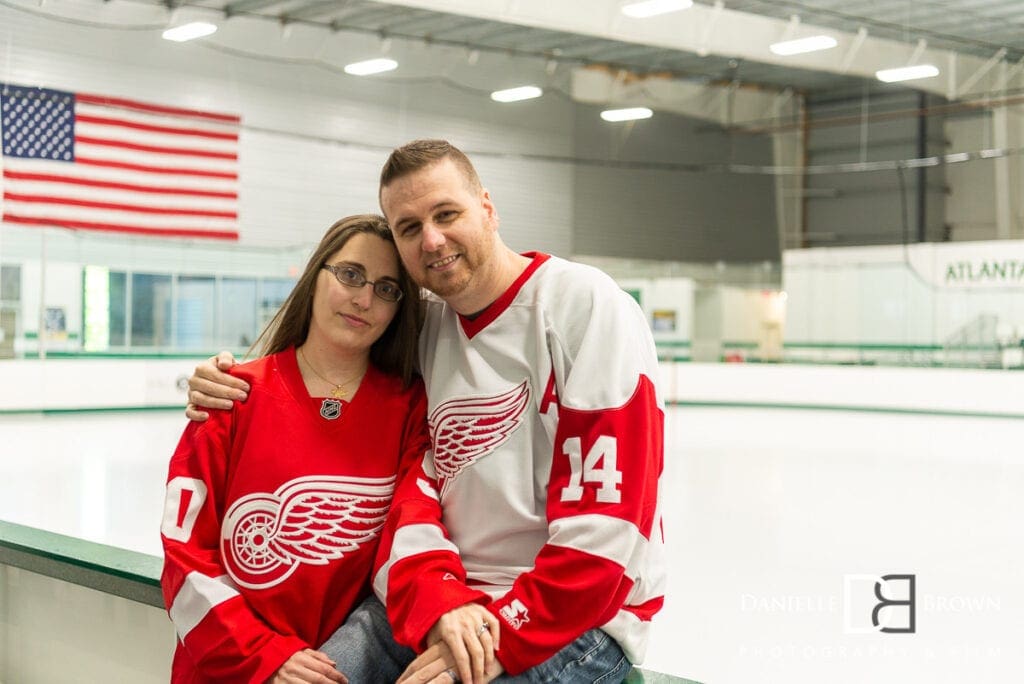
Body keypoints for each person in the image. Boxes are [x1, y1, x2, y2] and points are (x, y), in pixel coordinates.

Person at [186, 140, 666, 684]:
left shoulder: (584, 306)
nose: (432, 240)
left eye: (446, 214)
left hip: (574, 621)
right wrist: (438, 600)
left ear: (486, 207)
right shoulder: (424, 330)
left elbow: (606, 530)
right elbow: (412, 493)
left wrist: (500, 634)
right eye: (409, 228)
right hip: (445, 600)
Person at [161, 214, 428, 683]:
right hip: (229, 669)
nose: (364, 299)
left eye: (387, 289)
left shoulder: (410, 410)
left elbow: (408, 544)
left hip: (339, 670)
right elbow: (186, 559)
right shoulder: (231, 396)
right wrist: (264, 654)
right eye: (350, 275)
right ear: (315, 275)